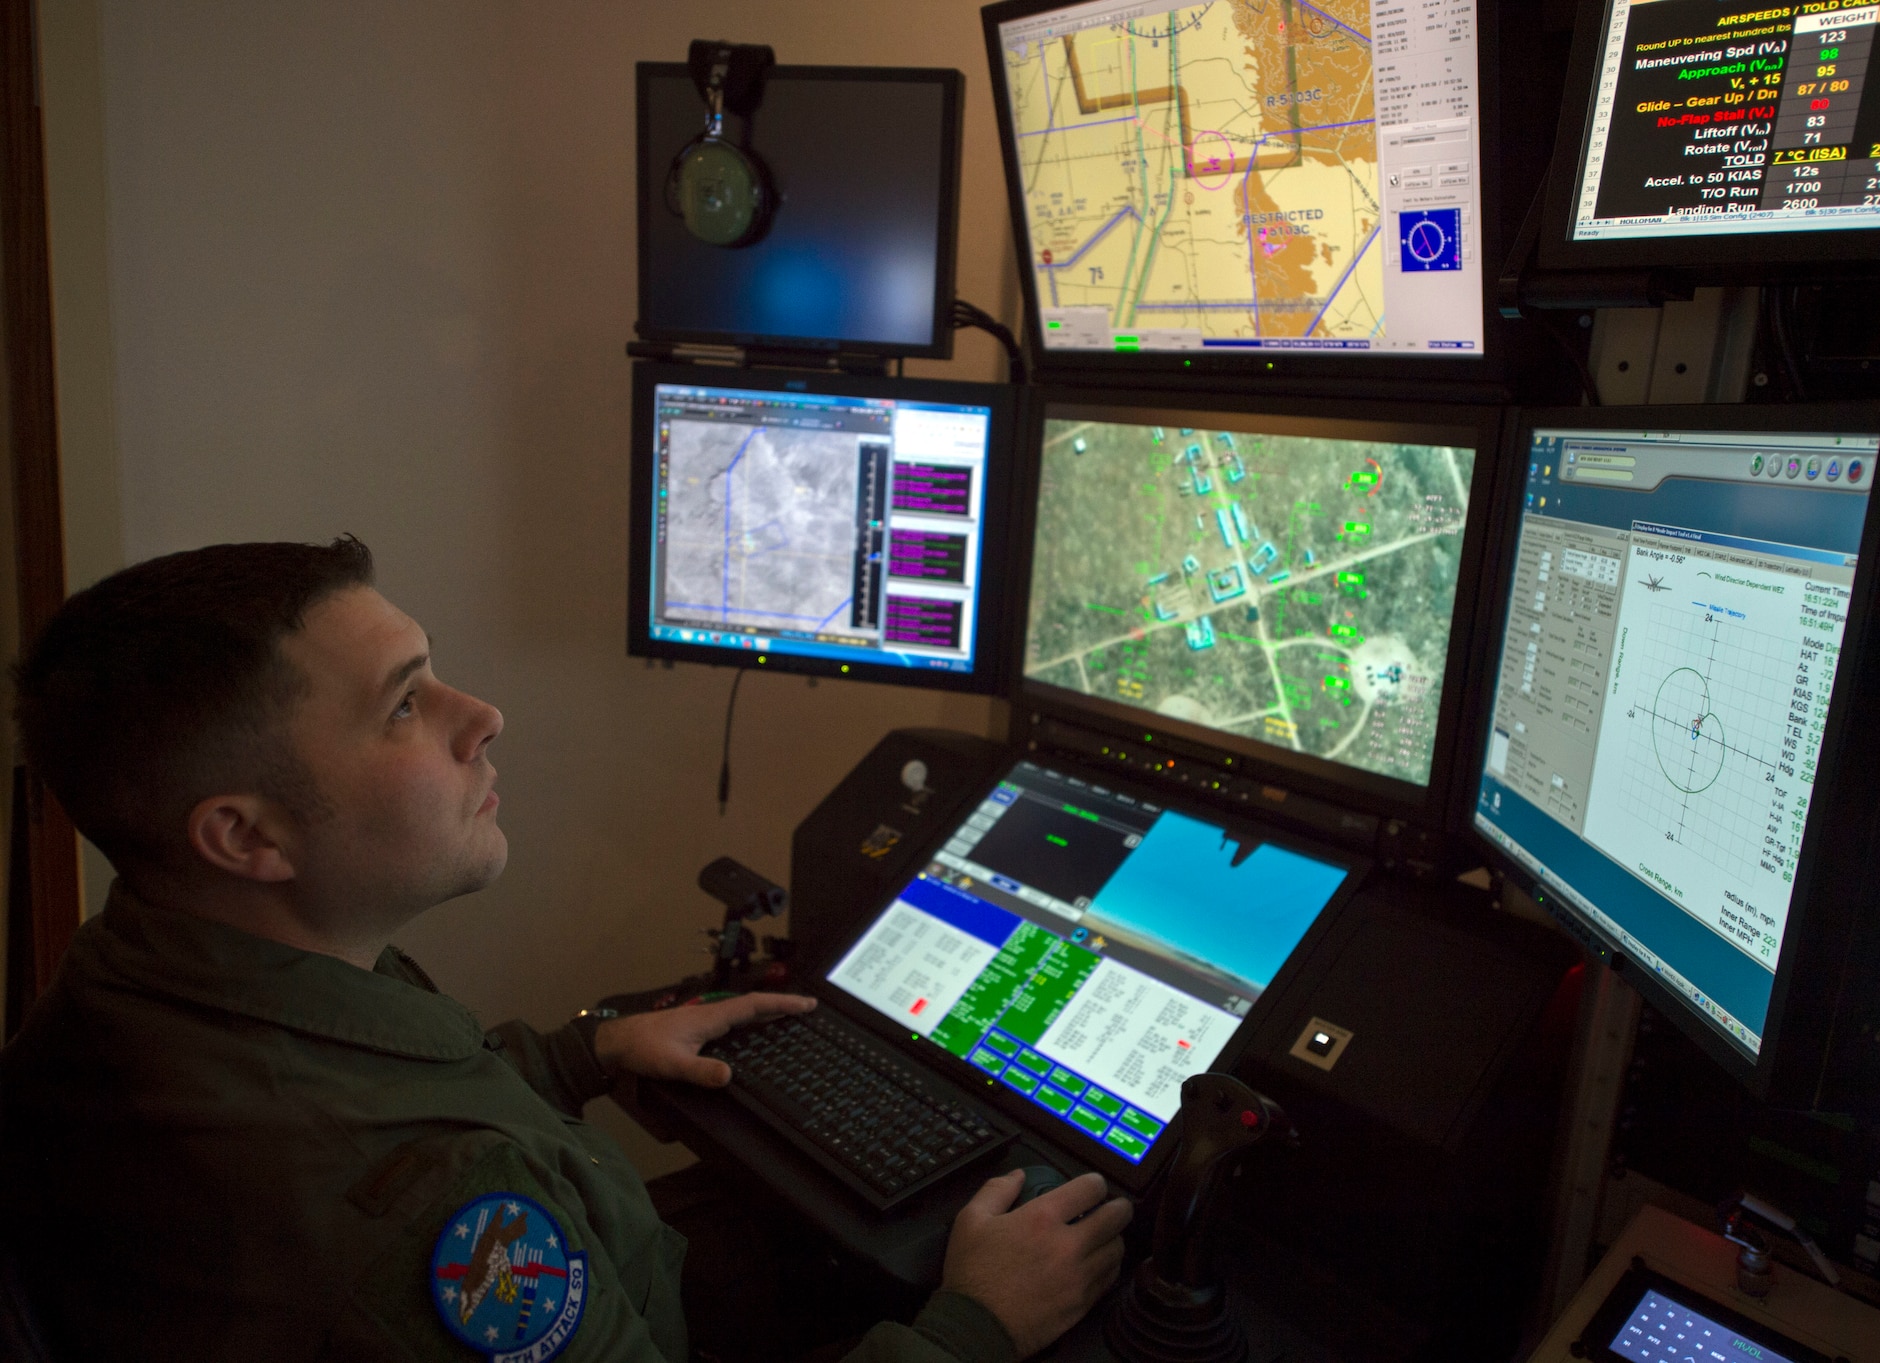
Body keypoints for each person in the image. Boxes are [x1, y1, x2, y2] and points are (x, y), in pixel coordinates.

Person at [0, 537, 1132, 1362]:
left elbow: (380, 1094)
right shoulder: (444, 1222)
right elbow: (393, 1185)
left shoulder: (134, 972)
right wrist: (971, 1329)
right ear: (244, 835)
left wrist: (584, 1054)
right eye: (401, 707)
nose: (479, 712)